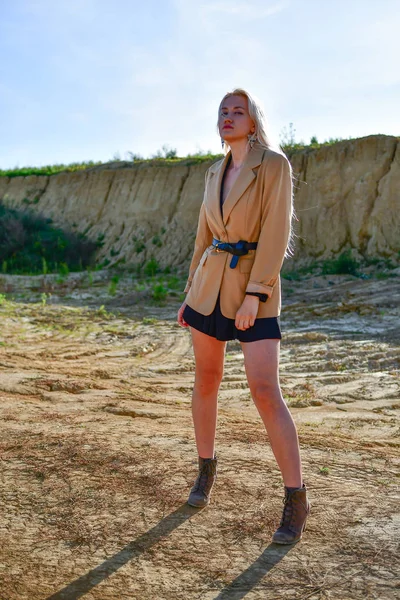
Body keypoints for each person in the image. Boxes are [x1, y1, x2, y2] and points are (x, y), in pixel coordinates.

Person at [177, 88, 310, 544]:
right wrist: (189, 291)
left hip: (254, 287)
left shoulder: (274, 164)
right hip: (208, 287)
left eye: (238, 111)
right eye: (223, 112)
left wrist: (257, 292)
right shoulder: (213, 171)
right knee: (205, 380)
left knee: (264, 389)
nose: (228, 117)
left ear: (253, 122)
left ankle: (296, 497)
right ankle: (205, 471)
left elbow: (277, 230)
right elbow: (202, 237)